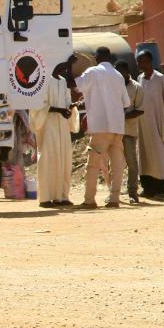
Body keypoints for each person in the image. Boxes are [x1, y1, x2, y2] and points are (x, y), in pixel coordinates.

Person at [66, 47, 131, 209]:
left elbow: (74, 85)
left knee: (93, 164)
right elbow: (126, 103)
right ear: (109, 58)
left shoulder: (92, 72)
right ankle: (114, 199)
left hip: (100, 126)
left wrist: (68, 67)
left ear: (97, 58)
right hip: (117, 127)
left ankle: (89, 200)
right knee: (117, 166)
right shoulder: (117, 76)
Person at [30, 62, 76, 207]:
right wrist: (58, 110)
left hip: (62, 125)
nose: (64, 69)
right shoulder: (43, 80)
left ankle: (61, 196)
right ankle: (45, 198)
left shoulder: (63, 82)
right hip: (48, 124)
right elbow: (37, 105)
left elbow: (67, 101)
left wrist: (71, 107)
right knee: (48, 158)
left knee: (64, 158)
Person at [135, 50, 164, 200]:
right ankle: (148, 188)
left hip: (158, 122)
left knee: (159, 155)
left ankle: (161, 189)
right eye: (138, 61)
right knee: (144, 155)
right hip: (142, 124)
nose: (140, 64)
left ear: (150, 61)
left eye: (142, 61)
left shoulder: (161, 80)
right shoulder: (139, 79)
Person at [117, 61, 144, 204]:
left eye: (121, 72)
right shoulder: (113, 86)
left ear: (127, 72)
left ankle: (133, 192)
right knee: (114, 163)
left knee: (132, 162)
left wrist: (122, 116)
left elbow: (140, 109)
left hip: (129, 130)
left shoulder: (137, 88)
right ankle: (114, 193)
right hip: (114, 130)